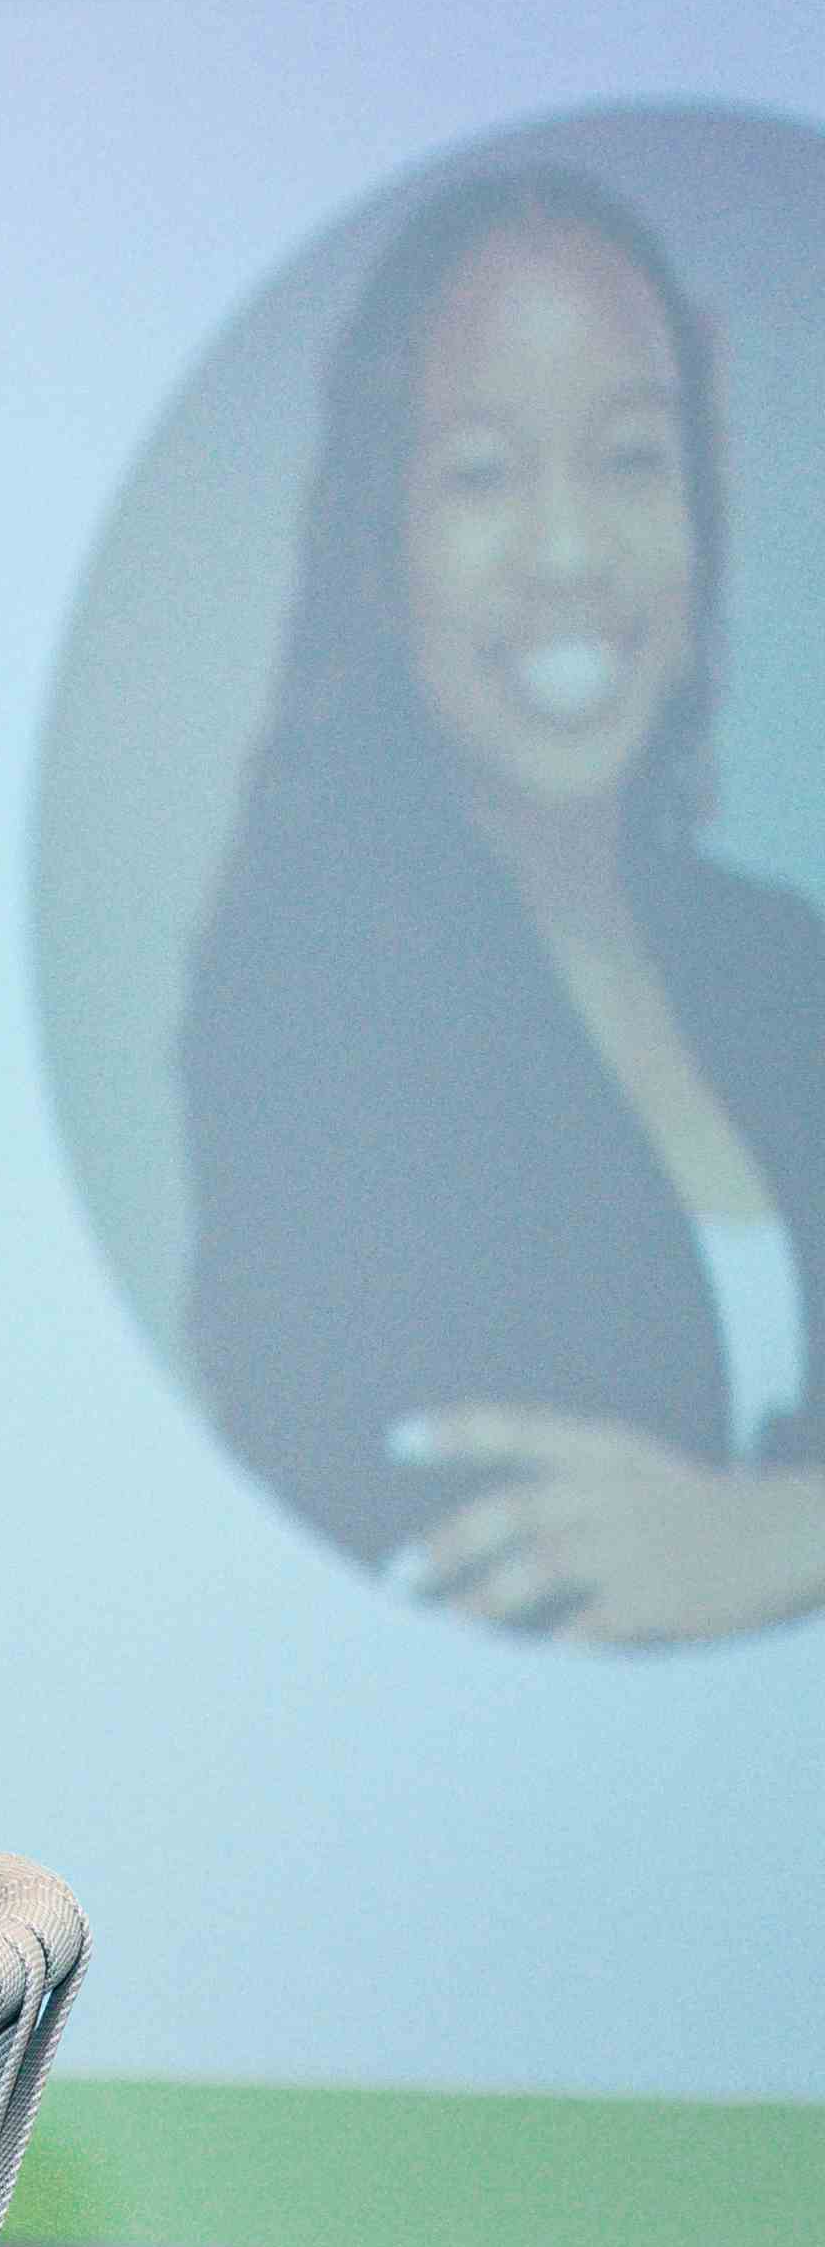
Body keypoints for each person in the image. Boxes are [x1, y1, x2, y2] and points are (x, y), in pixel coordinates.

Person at [180, 164, 825, 1639]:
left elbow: (716, 1549)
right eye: (482, 474)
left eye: (631, 460)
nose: (568, 550)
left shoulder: (781, 962)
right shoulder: (306, 1004)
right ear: (380, 546)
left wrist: (770, 1532)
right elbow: (459, 1550)